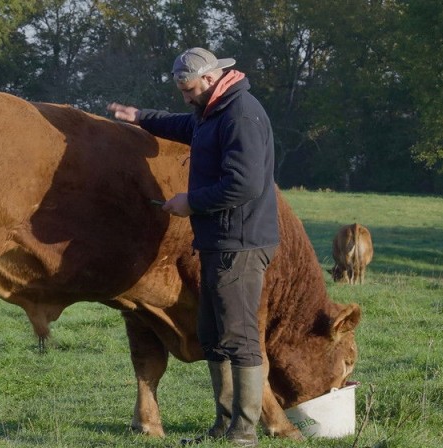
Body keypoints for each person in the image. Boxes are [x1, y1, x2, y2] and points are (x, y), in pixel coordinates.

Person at [108, 47, 280, 447]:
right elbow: (189, 127)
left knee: (238, 336)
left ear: (208, 78)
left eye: (188, 90)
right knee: (213, 333)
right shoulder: (213, 110)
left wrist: (191, 202)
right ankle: (223, 424)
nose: (185, 98)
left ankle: (243, 434)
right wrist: (141, 118)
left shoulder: (241, 115)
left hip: (240, 243)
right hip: (220, 240)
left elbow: (246, 184)